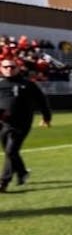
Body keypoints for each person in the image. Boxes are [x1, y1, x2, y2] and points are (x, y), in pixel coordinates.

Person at [0, 58, 51, 192]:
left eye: (12, 67)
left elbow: (42, 101)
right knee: (9, 152)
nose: (9, 69)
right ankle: (22, 172)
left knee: (11, 151)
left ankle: (4, 182)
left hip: (21, 123)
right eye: (6, 67)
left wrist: (46, 117)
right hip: (3, 123)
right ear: (1, 69)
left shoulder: (28, 84)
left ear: (17, 68)